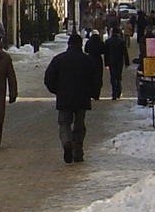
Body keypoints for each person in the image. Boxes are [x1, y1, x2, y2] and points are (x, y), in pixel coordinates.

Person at [43, 32, 103, 163]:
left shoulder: (59, 59)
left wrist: (57, 90)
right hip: (82, 98)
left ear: (68, 44)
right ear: (81, 45)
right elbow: (96, 79)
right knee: (79, 125)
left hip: (64, 98)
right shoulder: (88, 60)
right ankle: (78, 152)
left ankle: (67, 142)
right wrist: (93, 93)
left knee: (64, 123)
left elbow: (48, 78)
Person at [104, 26, 130, 99]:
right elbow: (125, 52)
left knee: (112, 77)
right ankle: (118, 90)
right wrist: (127, 62)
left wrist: (106, 63)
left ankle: (114, 92)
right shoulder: (121, 41)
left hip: (111, 61)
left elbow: (106, 53)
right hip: (119, 61)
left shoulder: (108, 41)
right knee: (118, 76)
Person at [84, 28, 106, 99]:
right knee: (98, 76)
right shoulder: (100, 42)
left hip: (90, 59)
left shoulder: (89, 42)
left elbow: (86, 50)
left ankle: (91, 92)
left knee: (90, 75)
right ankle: (97, 93)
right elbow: (103, 50)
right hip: (98, 59)